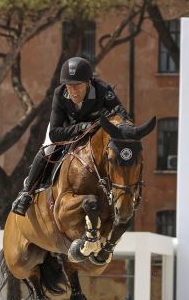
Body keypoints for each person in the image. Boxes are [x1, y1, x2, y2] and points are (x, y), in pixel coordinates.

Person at [11, 57, 128, 216]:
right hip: (67, 130)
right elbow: (54, 133)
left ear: (88, 83)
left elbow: (122, 115)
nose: (73, 91)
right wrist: (80, 127)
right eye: (69, 86)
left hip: (97, 133)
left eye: (77, 86)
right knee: (48, 148)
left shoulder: (103, 90)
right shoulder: (59, 94)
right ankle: (26, 192)